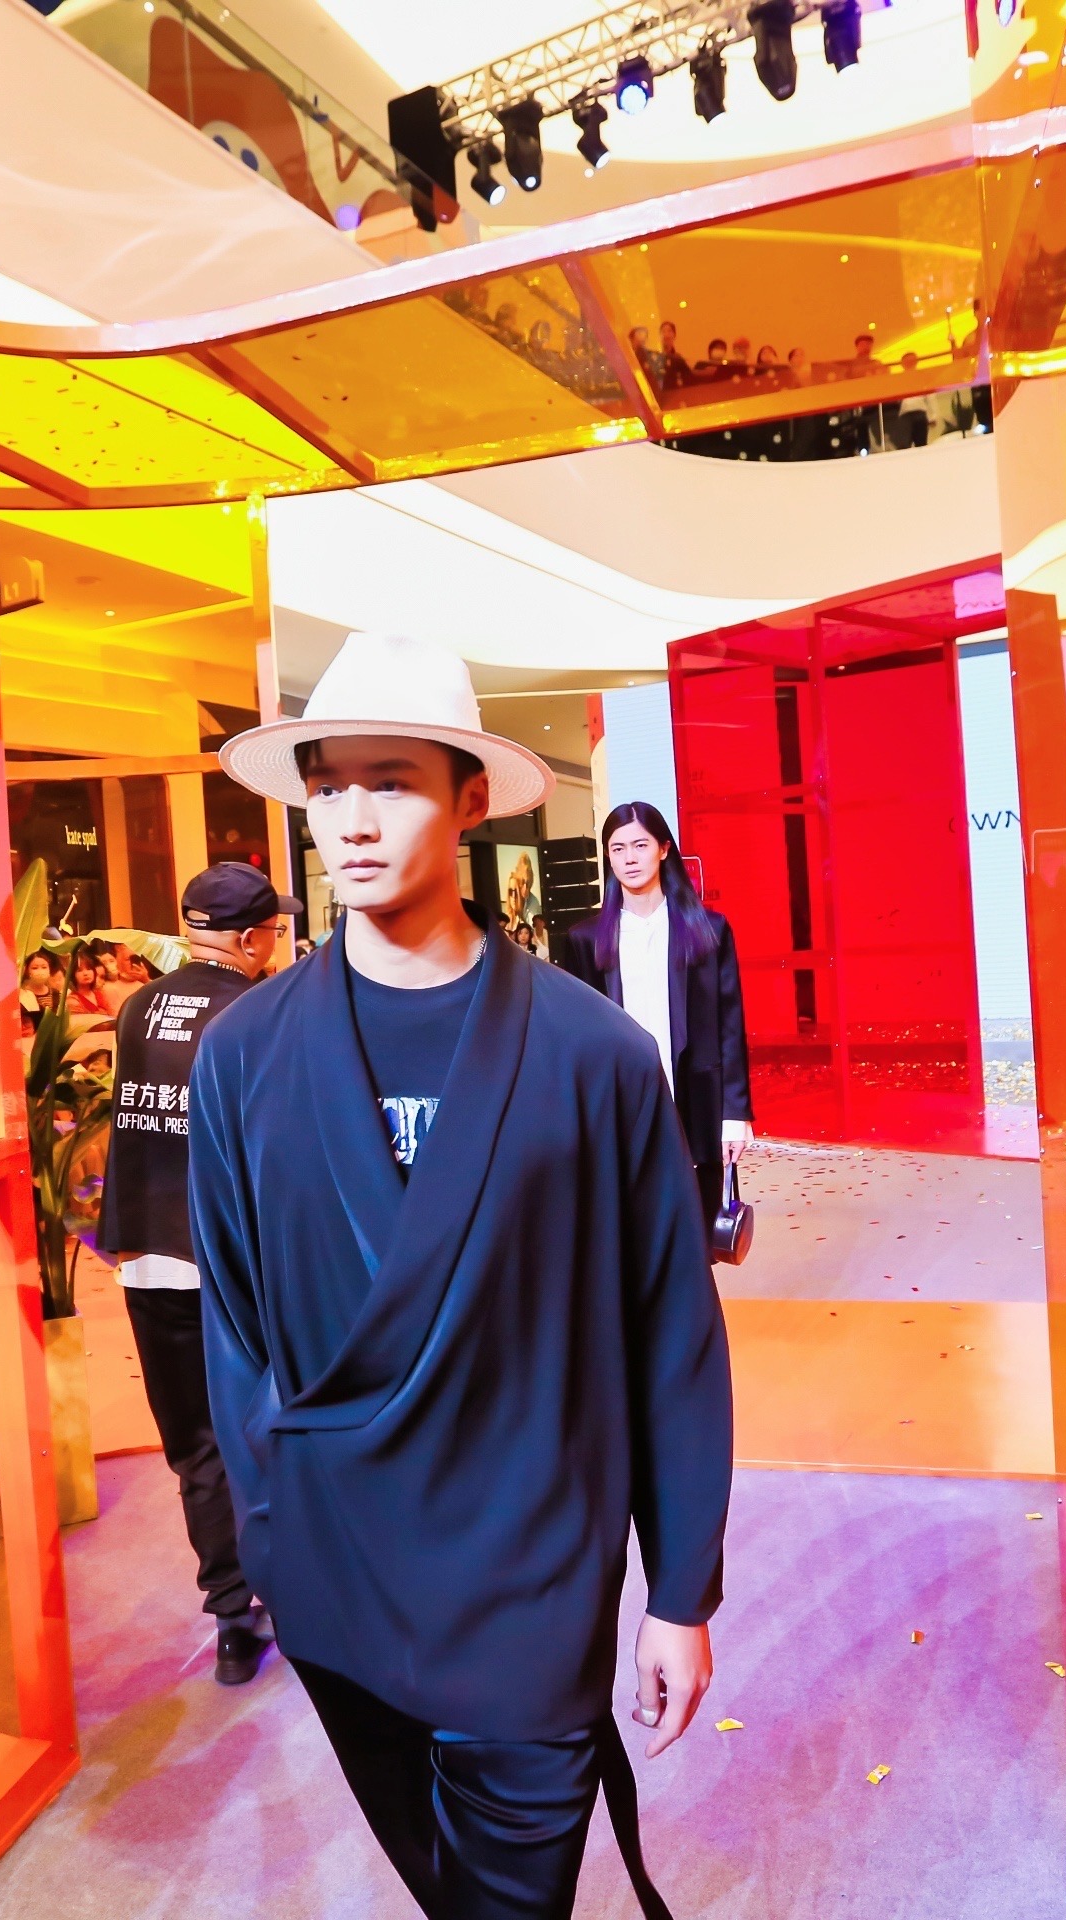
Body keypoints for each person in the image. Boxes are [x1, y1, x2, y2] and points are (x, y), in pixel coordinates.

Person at [194, 631, 731, 1920]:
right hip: (337, 1577)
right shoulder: (246, 1055)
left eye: (392, 783)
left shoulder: (594, 1057)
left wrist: (680, 1589)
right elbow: (238, 1329)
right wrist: (271, 1534)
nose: (353, 821)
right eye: (328, 786)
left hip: (531, 1580)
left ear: (471, 798)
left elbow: (669, 1333)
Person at [99, 863, 294, 1687]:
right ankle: (301, 1594)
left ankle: (231, 1619)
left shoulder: (137, 1007)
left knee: (195, 1449)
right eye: (273, 932)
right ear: (249, 938)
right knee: (269, 1430)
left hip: (146, 1254)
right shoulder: (256, 1013)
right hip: (226, 1263)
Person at [560, 801, 758, 1224]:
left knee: (698, 1231)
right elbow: (575, 1039)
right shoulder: (585, 939)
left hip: (694, 1100)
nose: (629, 858)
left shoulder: (708, 931)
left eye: (640, 845)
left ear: (664, 849)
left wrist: (735, 1112)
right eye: (617, 849)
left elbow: (729, 1026)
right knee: (628, 1231)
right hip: (619, 1106)